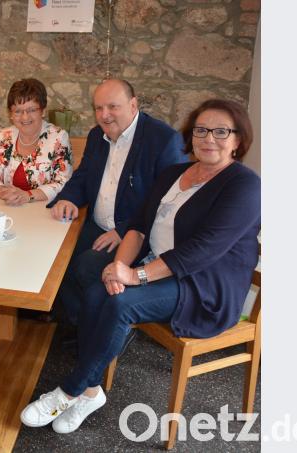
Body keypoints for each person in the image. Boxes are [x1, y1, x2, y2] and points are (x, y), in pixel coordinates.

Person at [20, 99, 260, 435]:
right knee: (94, 278)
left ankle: (72, 389)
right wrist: (119, 267)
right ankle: (92, 392)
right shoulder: (175, 174)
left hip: (201, 286)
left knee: (120, 303)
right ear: (191, 136)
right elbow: (138, 225)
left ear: (238, 140)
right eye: (202, 130)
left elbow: (201, 251)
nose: (209, 138)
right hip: (155, 265)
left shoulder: (244, 185)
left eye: (221, 132)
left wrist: (134, 276)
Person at [43, 79, 186, 325]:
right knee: (52, 255)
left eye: (112, 107)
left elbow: (166, 202)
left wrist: (123, 231)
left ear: (133, 105)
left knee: (87, 265)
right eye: (98, 108)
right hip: (96, 225)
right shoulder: (97, 135)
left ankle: (103, 327)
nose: (104, 115)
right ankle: (77, 323)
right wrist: (68, 198)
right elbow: (84, 174)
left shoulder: (163, 140)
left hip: (137, 234)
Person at [0, 78, 72, 205]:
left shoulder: (58, 137)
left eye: (31, 110)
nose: (25, 117)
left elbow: (63, 182)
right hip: (9, 207)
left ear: (43, 110)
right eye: (18, 111)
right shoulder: (1, 136)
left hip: (44, 211)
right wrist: (3, 193)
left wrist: (28, 195)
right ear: (11, 114)